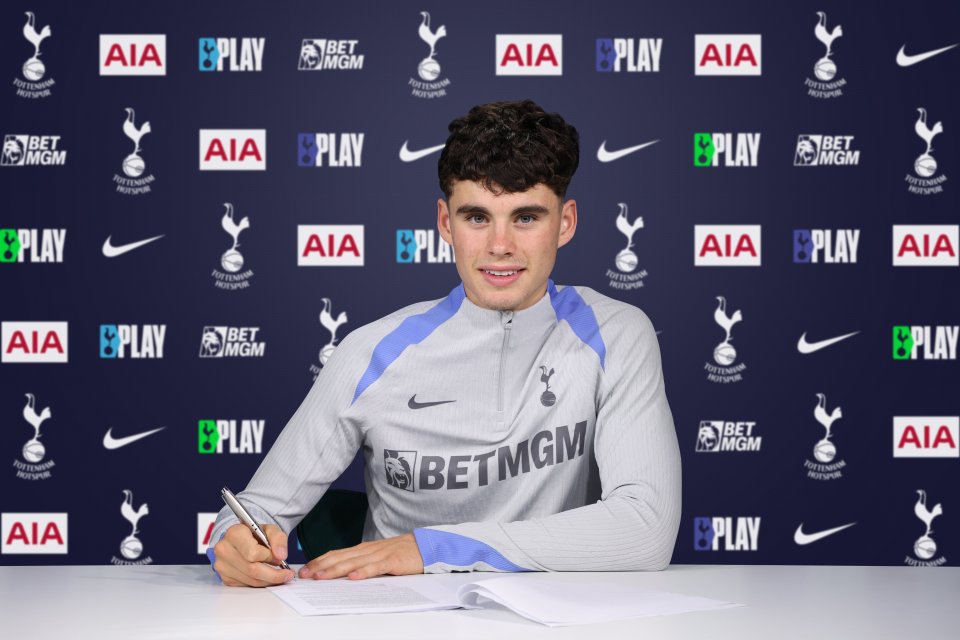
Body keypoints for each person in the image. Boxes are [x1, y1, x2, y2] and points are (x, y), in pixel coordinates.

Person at [208, 99, 681, 587]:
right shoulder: (372, 352)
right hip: (397, 622)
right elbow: (250, 514)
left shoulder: (618, 333)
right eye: (477, 217)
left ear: (565, 223)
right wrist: (235, 547)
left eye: (525, 217)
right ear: (444, 222)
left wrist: (432, 548)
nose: (500, 245)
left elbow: (647, 528)